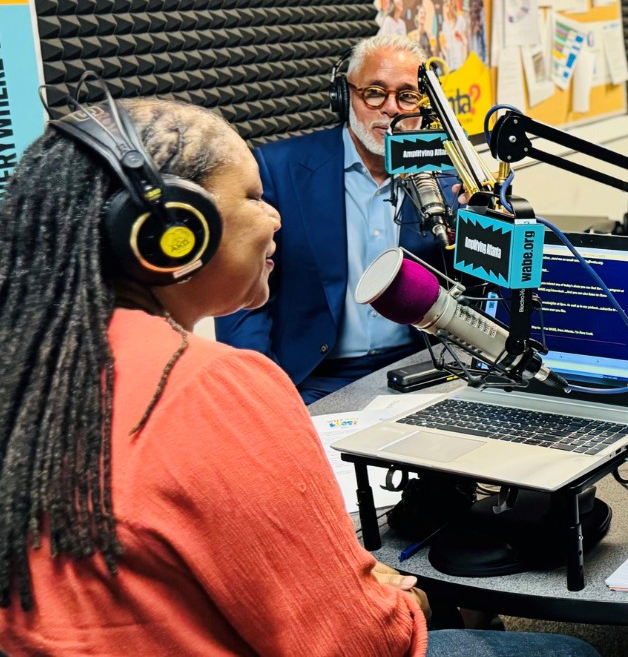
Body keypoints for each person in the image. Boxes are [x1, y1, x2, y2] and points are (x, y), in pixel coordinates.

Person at [0, 96, 597, 657]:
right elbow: (355, 645)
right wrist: (408, 599)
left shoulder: (29, 370)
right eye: (255, 198)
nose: (277, 217)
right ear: (175, 230)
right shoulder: (210, 387)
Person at [217, 34, 452, 404]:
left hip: (423, 368)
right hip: (315, 379)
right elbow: (242, 296)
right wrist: (262, 388)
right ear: (345, 96)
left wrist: (482, 220)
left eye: (407, 96)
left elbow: (477, 297)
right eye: (374, 92)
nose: (390, 109)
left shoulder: (449, 180)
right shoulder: (280, 169)